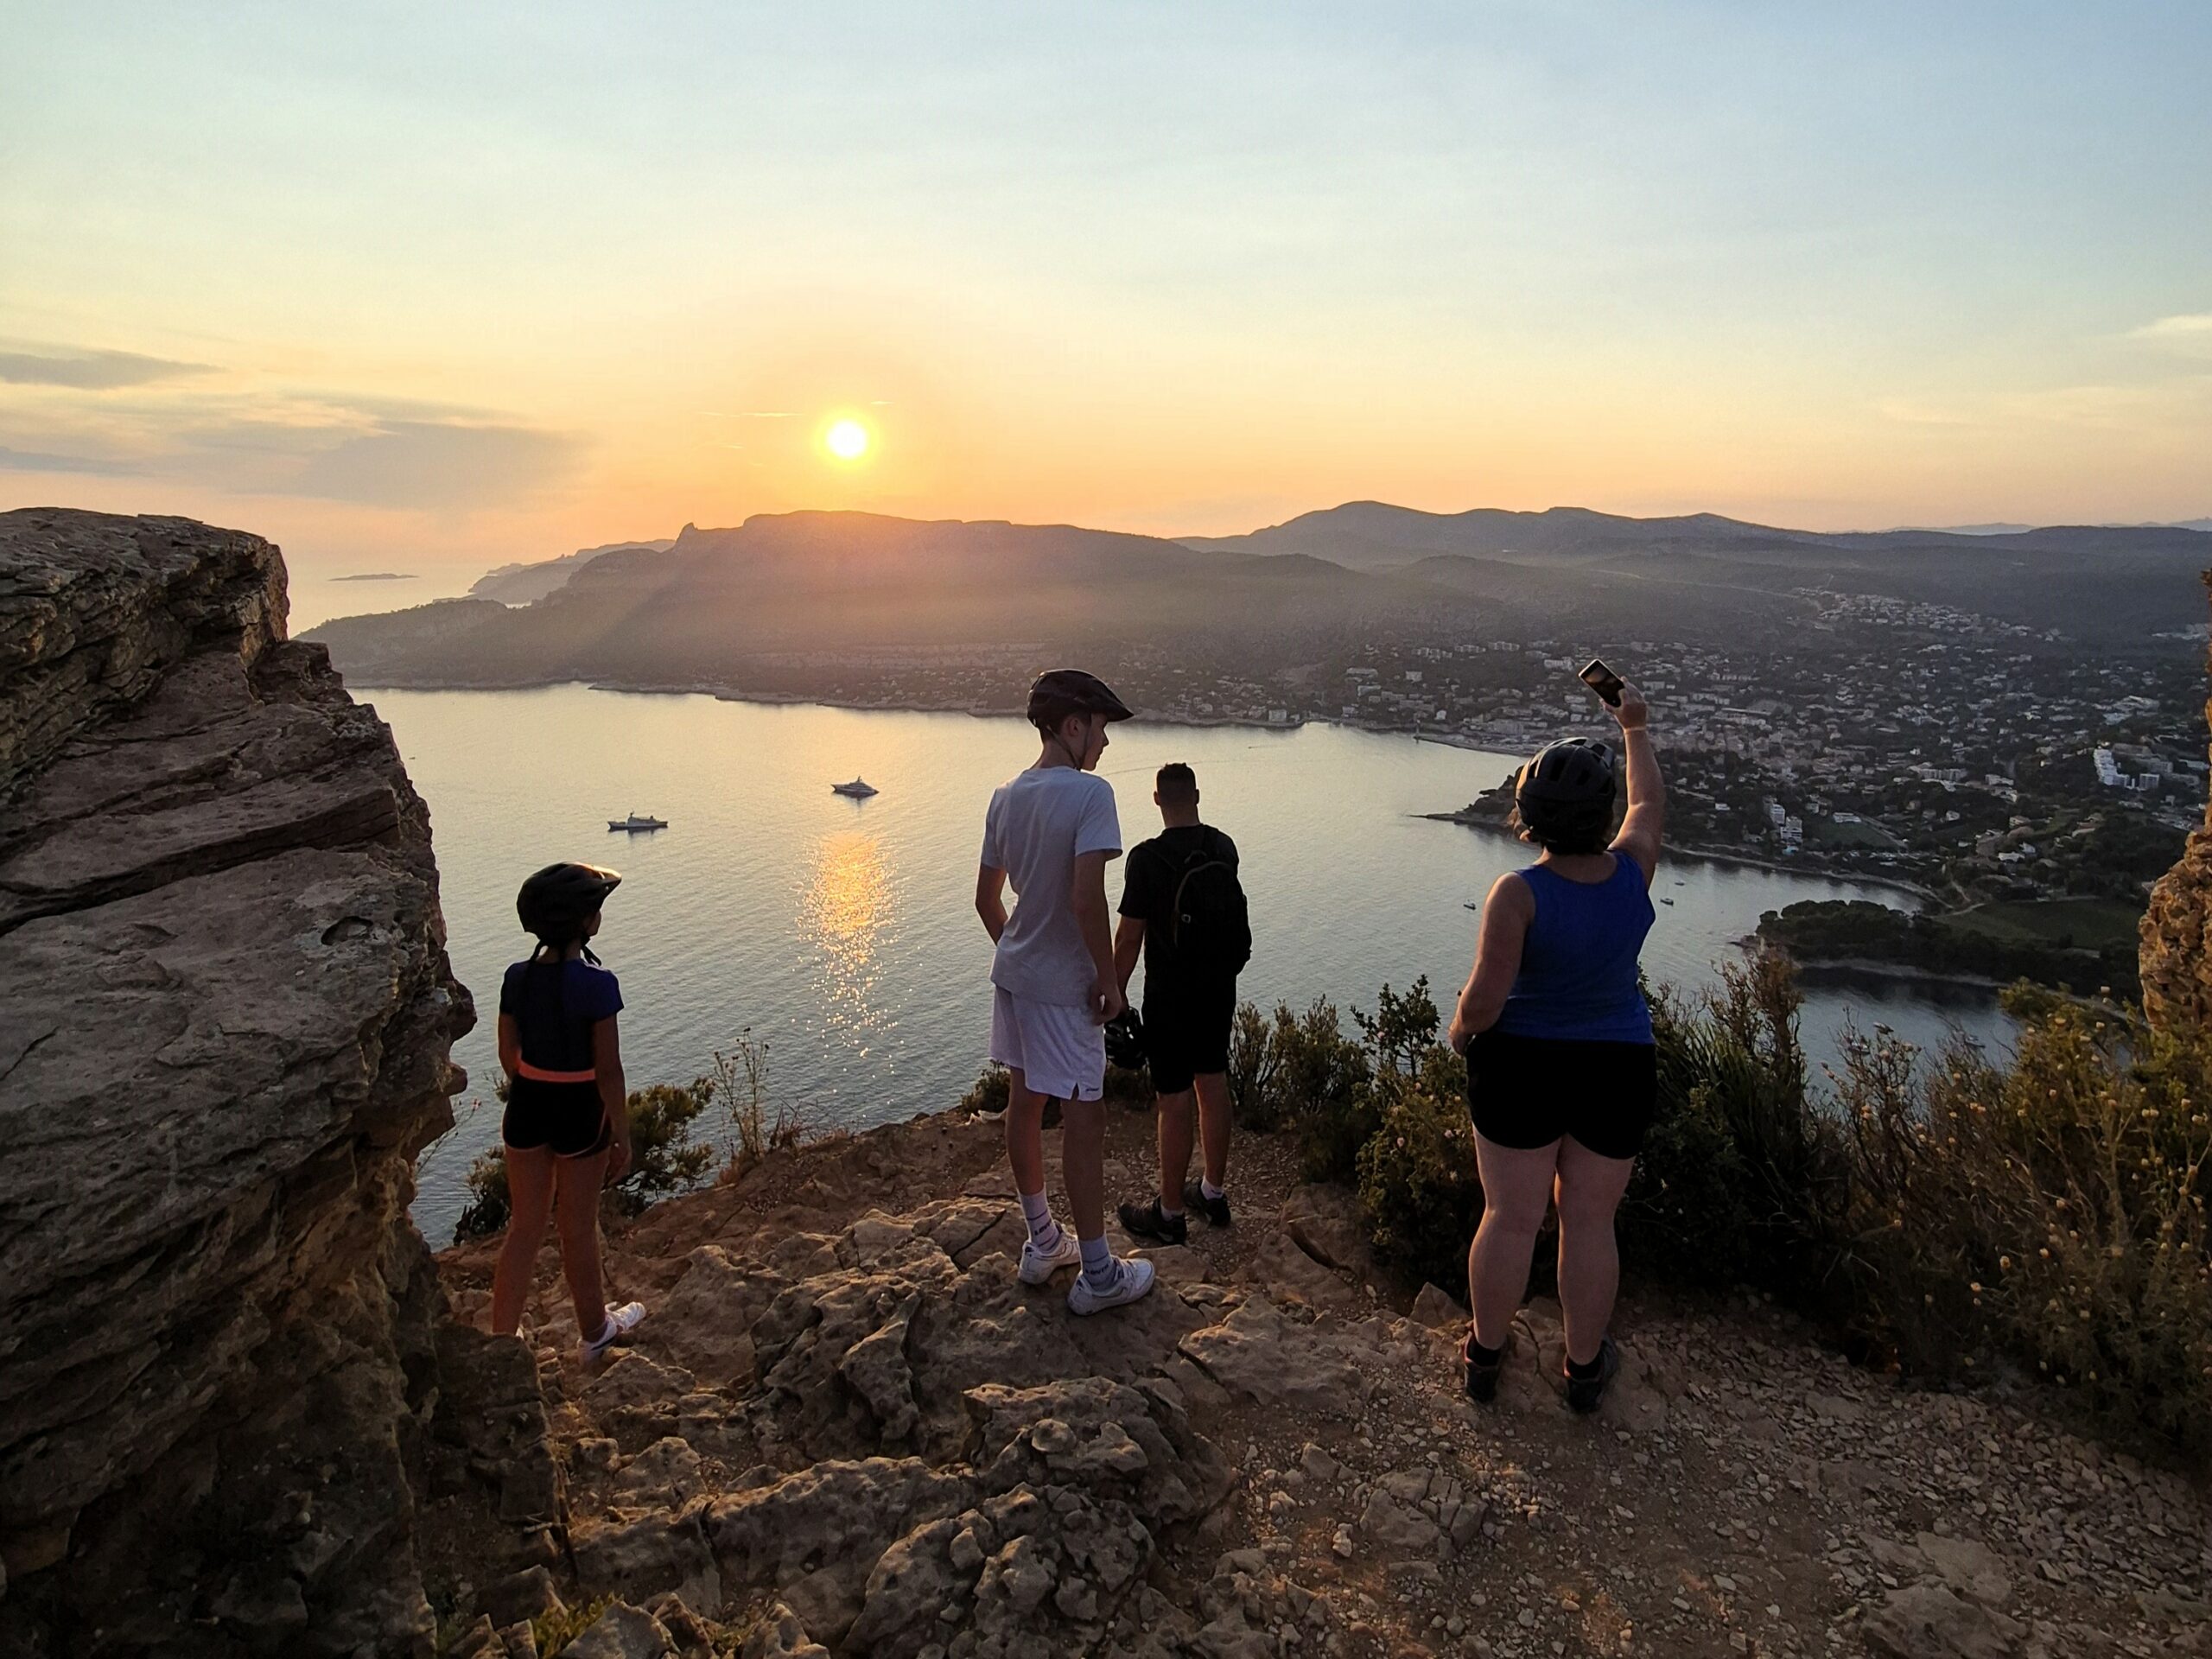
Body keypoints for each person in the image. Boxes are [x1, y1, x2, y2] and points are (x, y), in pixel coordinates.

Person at [1445, 682, 1662, 1414]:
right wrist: (1633, 726)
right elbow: (1648, 807)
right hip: (1617, 1065)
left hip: (1521, 1065)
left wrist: (1458, 1030)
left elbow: (1484, 1001)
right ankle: (1583, 1367)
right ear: (1599, 819)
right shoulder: (1633, 875)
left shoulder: (1518, 893)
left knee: (1509, 1215)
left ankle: (1485, 1355)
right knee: (1590, 1220)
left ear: (1528, 818)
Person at [976, 670, 1157, 1313]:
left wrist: (1021, 957)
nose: (1105, 745)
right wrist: (1110, 985)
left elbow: (986, 900)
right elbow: (1087, 898)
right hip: (1064, 989)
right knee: (1086, 1116)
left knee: (1026, 1104)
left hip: (1016, 978)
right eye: (1101, 730)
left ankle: (1042, 1240)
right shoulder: (1090, 796)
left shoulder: (1005, 796)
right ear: (1073, 726)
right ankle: (1100, 1275)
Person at [489, 861, 648, 1363]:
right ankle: (595, 1332)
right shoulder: (599, 985)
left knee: (525, 1225)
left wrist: (535, 1083)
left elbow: (507, 1053)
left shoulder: (517, 978)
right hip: (580, 1110)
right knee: (577, 1227)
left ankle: (501, 1341)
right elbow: (609, 1070)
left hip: (528, 1105)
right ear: (586, 922)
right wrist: (621, 1134)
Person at [1113, 762, 1251, 1244]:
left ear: (1156, 801)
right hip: (1218, 989)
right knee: (1213, 1083)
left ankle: (1170, 1213)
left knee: (1172, 1099)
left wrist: (1114, 997)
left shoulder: (1147, 859)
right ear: (1197, 795)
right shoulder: (1223, 846)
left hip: (1169, 997)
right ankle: (1212, 1192)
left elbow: (1129, 939)